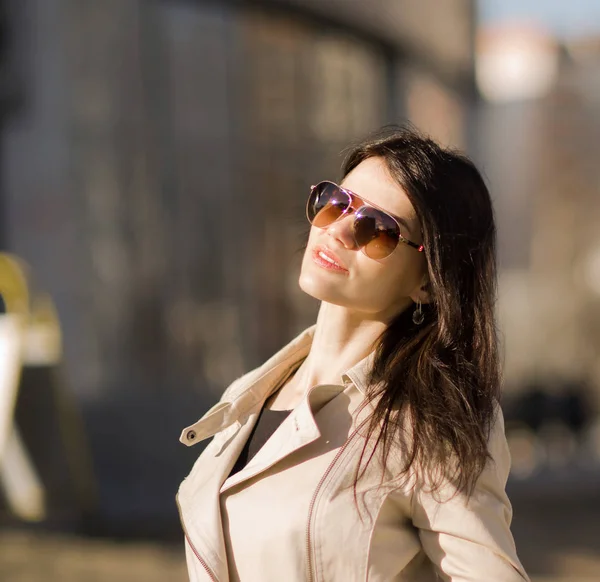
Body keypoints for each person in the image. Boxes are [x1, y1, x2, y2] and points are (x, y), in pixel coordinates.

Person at [177, 126, 529, 581]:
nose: (339, 230)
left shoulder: (430, 424)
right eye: (336, 201)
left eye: (377, 229)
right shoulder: (251, 394)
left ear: (427, 282)